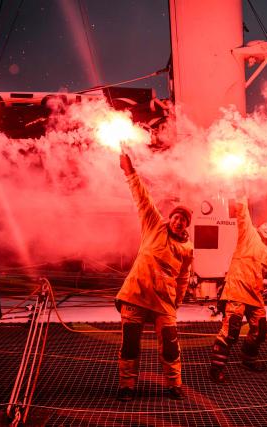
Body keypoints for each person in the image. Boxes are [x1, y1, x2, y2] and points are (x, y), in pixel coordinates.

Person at [115, 153, 194, 402]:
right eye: (176, 217)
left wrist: (177, 302)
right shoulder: (153, 225)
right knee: (130, 344)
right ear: (170, 218)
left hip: (164, 302)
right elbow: (142, 197)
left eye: (183, 220)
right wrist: (130, 172)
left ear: (186, 225)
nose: (179, 221)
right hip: (135, 296)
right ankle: (127, 386)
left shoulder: (187, 249)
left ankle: (174, 383)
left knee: (171, 346)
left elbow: (183, 278)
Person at [209, 195, 267, 384]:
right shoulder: (248, 233)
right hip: (237, 290)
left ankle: (248, 359)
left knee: (260, 331)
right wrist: (241, 187)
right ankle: (216, 369)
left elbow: (260, 273)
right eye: (265, 224)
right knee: (231, 330)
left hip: (255, 295)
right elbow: (243, 211)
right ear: (257, 226)